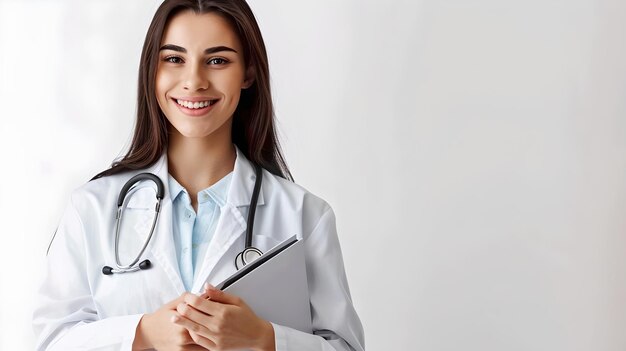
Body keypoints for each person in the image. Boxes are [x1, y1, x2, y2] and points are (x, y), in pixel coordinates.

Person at [32, 0, 365, 350]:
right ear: (152, 70)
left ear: (248, 72)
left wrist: (265, 339)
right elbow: (51, 340)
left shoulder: (304, 215)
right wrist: (142, 334)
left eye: (218, 60)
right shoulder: (92, 209)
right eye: (174, 59)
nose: (194, 81)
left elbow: (345, 346)